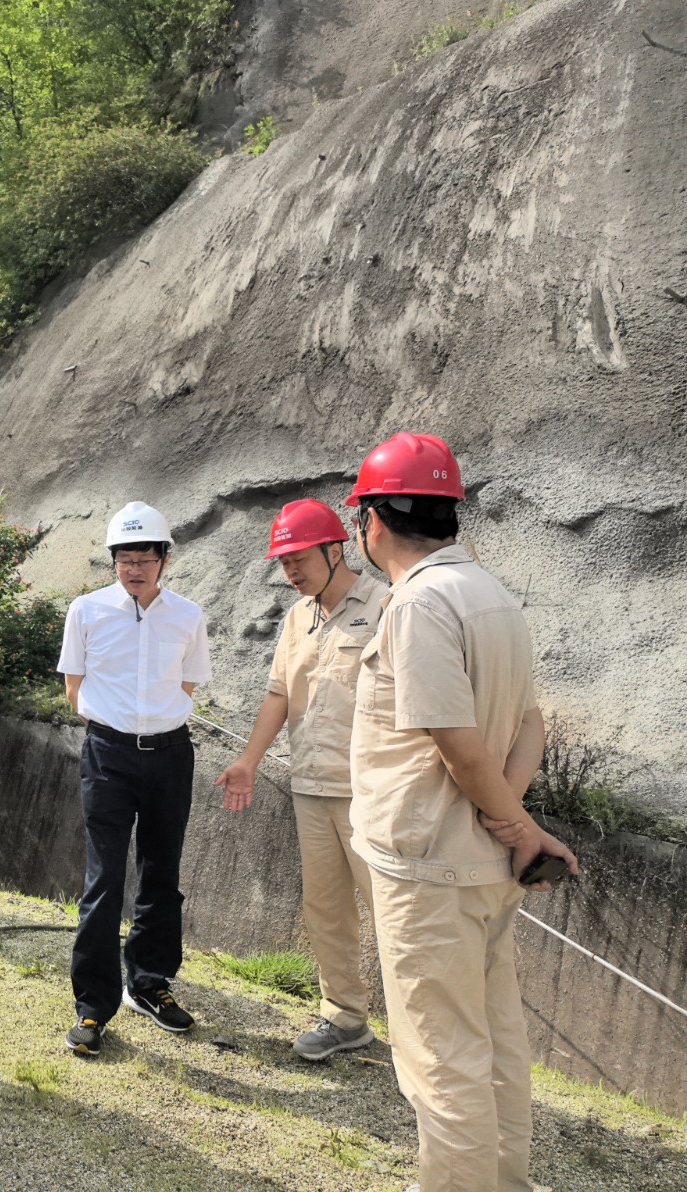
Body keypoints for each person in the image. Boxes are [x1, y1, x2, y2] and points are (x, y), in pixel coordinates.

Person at [344, 433, 578, 1192]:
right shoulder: (492, 594)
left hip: (429, 865)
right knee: (495, 1039)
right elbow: (531, 723)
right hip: (481, 864)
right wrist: (514, 825)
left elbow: (455, 743)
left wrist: (514, 825)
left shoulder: (418, 603)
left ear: (371, 520)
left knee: (440, 1054)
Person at [215, 499, 382, 1060]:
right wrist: (249, 760)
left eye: (299, 559)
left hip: (373, 792)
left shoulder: (387, 606)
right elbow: (279, 694)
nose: (290, 571)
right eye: (284, 562)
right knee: (325, 909)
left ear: (335, 550)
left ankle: (425, 1039)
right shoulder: (297, 618)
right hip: (311, 786)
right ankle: (344, 1017)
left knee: (396, 916)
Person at [57, 501, 212, 1057]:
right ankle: (93, 1006)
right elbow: (73, 687)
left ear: (165, 558)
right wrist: (118, 725)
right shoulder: (86, 610)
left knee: (162, 871)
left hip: (170, 754)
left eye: (145, 558)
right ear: (113, 560)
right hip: (108, 753)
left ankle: (148, 983)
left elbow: (188, 686)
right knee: (104, 878)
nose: (134, 568)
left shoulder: (188, 616)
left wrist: (154, 723)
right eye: (125, 558)